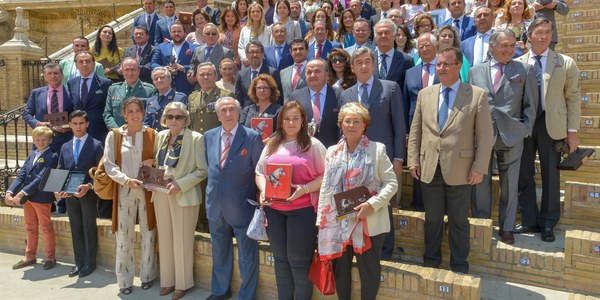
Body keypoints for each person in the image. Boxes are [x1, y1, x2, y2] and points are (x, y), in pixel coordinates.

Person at [407, 47, 493, 273]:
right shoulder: (425, 94)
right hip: (429, 167)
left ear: (458, 66)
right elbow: (415, 130)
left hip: (462, 170)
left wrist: (479, 167)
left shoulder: (475, 94)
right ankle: (431, 261)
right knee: (433, 219)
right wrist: (413, 160)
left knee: (459, 221)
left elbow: (485, 136)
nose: (441, 68)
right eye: (438, 64)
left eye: (446, 64)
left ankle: (459, 264)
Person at [317, 102, 398, 300]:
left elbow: (392, 183)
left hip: (369, 223)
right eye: (347, 121)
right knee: (340, 271)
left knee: (369, 272)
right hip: (338, 223)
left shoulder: (377, 150)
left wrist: (373, 204)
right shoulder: (332, 152)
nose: (351, 125)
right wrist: (321, 220)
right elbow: (326, 189)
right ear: (340, 125)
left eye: (356, 121)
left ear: (364, 125)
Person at [469, 28, 538, 245]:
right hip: (481, 136)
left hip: (512, 136)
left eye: (512, 45)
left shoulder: (524, 70)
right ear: (491, 47)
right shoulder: (474, 71)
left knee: (510, 183)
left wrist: (525, 129)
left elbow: (531, 105)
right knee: (480, 182)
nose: (509, 49)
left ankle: (507, 227)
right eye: (504, 45)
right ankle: (482, 222)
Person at [517, 18, 581, 242]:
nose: (544, 36)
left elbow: (573, 99)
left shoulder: (565, 62)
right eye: (539, 32)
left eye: (548, 32)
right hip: (525, 124)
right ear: (529, 35)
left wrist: (572, 132)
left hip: (551, 125)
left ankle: (547, 223)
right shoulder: (517, 63)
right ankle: (529, 220)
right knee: (524, 174)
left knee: (550, 175)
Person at [339, 47, 406, 260]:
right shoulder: (345, 94)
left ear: (374, 64)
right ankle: (357, 245)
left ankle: (384, 252)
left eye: (368, 61)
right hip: (353, 160)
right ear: (352, 67)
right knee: (356, 204)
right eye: (359, 63)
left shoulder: (390, 88)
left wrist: (398, 158)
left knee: (382, 205)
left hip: (381, 159)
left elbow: (399, 125)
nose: (364, 66)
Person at [255, 101, 326, 300]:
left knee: (299, 261)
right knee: (280, 260)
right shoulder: (272, 144)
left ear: (303, 121)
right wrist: (263, 190)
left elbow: (327, 176)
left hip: (302, 211)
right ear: (281, 121)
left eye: (295, 118)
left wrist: (305, 189)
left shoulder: (313, 145)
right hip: (274, 211)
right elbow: (259, 172)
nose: (291, 122)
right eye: (287, 118)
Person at [203, 97, 264, 300]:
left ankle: (246, 295)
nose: (228, 114)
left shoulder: (252, 137)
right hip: (215, 204)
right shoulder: (209, 136)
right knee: (219, 251)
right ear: (218, 114)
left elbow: (259, 171)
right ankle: (220, 291)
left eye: (232, 110)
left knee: (247, 256)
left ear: (238, 113)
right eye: (224, 110)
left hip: (241, 205)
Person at [153, 102, 208, 299]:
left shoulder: (196, 138)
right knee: (165, 239)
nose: (174, 120)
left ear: (185, 119)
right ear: (165, 119)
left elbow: (203, 170)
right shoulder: (160, 136)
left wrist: (180, 184)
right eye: (170, 116)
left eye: (179, 117)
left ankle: (183, 283)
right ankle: (167, 281)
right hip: (160, 192)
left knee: (182, 240)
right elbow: (158, 162)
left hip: (183, 193)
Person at [104, 97, 157, 295]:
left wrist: (153, 162)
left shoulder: (153, 134)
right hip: (125, 187)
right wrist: (126, 180)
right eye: (130, 111)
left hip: (147, 188)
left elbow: (161, 160)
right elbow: (109, 164)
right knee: (123, 234)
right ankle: (124, 280)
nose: (135, 115)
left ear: (143, 112)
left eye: (138, 111)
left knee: (148, 231)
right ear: (123, 114)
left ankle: (147, 275)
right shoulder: (115, 136)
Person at [57, 110, 104, 278]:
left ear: (87, 124)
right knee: (76, 228)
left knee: (88, 227)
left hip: (88, 193)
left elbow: (101, 172)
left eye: (81, 123)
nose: (78, 126)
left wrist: (90, 185)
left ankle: (89, 263)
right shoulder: (64, 146)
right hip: (70, 194)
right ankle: (78, 262)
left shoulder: (96, 145)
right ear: (70, 125)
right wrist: (58, 189)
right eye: (75, 123)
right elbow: (62, 169)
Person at [6, 126, 58, 271]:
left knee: (46, 228)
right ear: (33, 140)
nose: (41, 142)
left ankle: (50, 257)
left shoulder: (52, 156)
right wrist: (10, 191)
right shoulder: (32, 154)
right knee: (30, 227)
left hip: (41, 197)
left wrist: (22, 193)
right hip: (28, 198)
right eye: (38, 140)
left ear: (50, 140)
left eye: (44, 139)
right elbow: (22, 174)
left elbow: (41, 177)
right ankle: (30, 256)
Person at [402, 33, 440, 211]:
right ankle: (418, 205)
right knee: (416, 165)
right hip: (415, 126)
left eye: (428, 45)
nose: (424, 49)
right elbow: (404, 102)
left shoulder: (444, 68)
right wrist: (407, 131)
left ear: (436, 46)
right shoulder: (411, 72)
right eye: (421, 46)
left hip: (440, 125)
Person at [67, 50, 112, 166]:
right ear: (76, 65)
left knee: (98, 166)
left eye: (88, 61)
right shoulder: (71, 83)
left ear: (93, 64)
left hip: (99, 131)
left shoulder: (106, 83)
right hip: (78, 131)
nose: (84, 64)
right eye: (80, 62)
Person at [22, 62, 74, 154]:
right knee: (41, 167)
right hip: (42, 139)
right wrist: (38, 124)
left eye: (56, 73)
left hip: (65, 138)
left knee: (62, 168)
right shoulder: (36, 93)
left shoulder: (72, 92)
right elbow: (26, 114)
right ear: (45, 76)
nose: (53, 76)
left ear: (62, 75)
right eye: (49, 73)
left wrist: (70, 127)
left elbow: (77, 114)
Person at [290, 59, 341, 147]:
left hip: (331, 149)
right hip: (303, 148)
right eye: (309, 72)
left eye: (317, 71)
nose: (312, 75)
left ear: (326, 74)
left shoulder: (339, 94)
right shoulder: (296, 96)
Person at [104, 58, 157, 129]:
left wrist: (139, 130)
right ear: (122, 71)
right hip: (118, 134)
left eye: (133, 70)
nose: (130, 73)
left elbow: (151, 115)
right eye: (126, 70)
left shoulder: (149, 90)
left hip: (141, 133)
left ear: (139, 71)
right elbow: (107, 114)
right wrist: (117, 130)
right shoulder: (113, 89)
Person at [151, 22, 197, 95]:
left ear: (185, 33)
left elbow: (197, 65)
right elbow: (153, 64)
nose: (176, 34)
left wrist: (183, 68)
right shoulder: (161, 47)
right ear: (170, 33)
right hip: (166, 87)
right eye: (174, 31)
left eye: (179, 31)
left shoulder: (194, 48)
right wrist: (164, 69)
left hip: (186, 87)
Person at [188, 62, 234, 134]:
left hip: (217, 141)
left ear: (216, 76)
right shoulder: (192, 97)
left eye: (209, 74)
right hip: (198, 142)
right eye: (202, 75)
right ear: (197, 77)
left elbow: (232, 123)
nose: (205, 77)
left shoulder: (226, 96)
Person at [235, 41, 282, 107]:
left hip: (267, 114)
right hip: (247, 114)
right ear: (246, 55)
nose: (254, 55)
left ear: (263, 54)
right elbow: (239, 99)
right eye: (251, 52)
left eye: (257, 52)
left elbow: (278, 97)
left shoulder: (272, 73)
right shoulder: (241, 74)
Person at [373, 19, 415, 91]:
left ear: (394, 35)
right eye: (380, 33)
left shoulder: (407, 61)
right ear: (375, 37)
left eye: (387, 32)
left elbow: (410, 89)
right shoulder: (369, 59)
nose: (383, 36)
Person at [238, 3, 273, 68]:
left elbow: (266, 46)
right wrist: (244, 58)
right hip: (246, 63)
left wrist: (256, 58)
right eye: (253, 12)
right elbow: (240, 46)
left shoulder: (267, 29)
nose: (255, 13)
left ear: (261, 14)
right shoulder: (244, 29)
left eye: (258, 11)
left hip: (261, 62)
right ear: (250, 14)